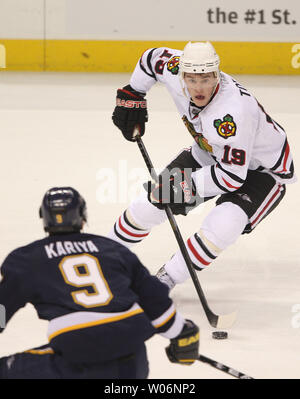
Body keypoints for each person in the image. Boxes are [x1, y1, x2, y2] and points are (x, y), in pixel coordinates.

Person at [109, 41, 296, 289]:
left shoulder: (232, 114)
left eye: (206, 79)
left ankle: (167, 278)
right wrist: (135, 92)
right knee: (149, 204)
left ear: (217, 76)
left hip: (263, 173)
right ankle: (103, 258)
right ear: (181, 74)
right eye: (192, 79)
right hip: (210, 153)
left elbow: (231, 177)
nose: (199, 88)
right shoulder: (174, 69)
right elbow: (150, 59)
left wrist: (184, 186)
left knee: (224, 225)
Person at [0, 187, 199, 379]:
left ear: (44, 218)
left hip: (77, 360)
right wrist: (181, 332)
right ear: (83, 217)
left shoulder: (26, 259)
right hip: (133, 364)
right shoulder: (112, 249)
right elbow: (154, 298)